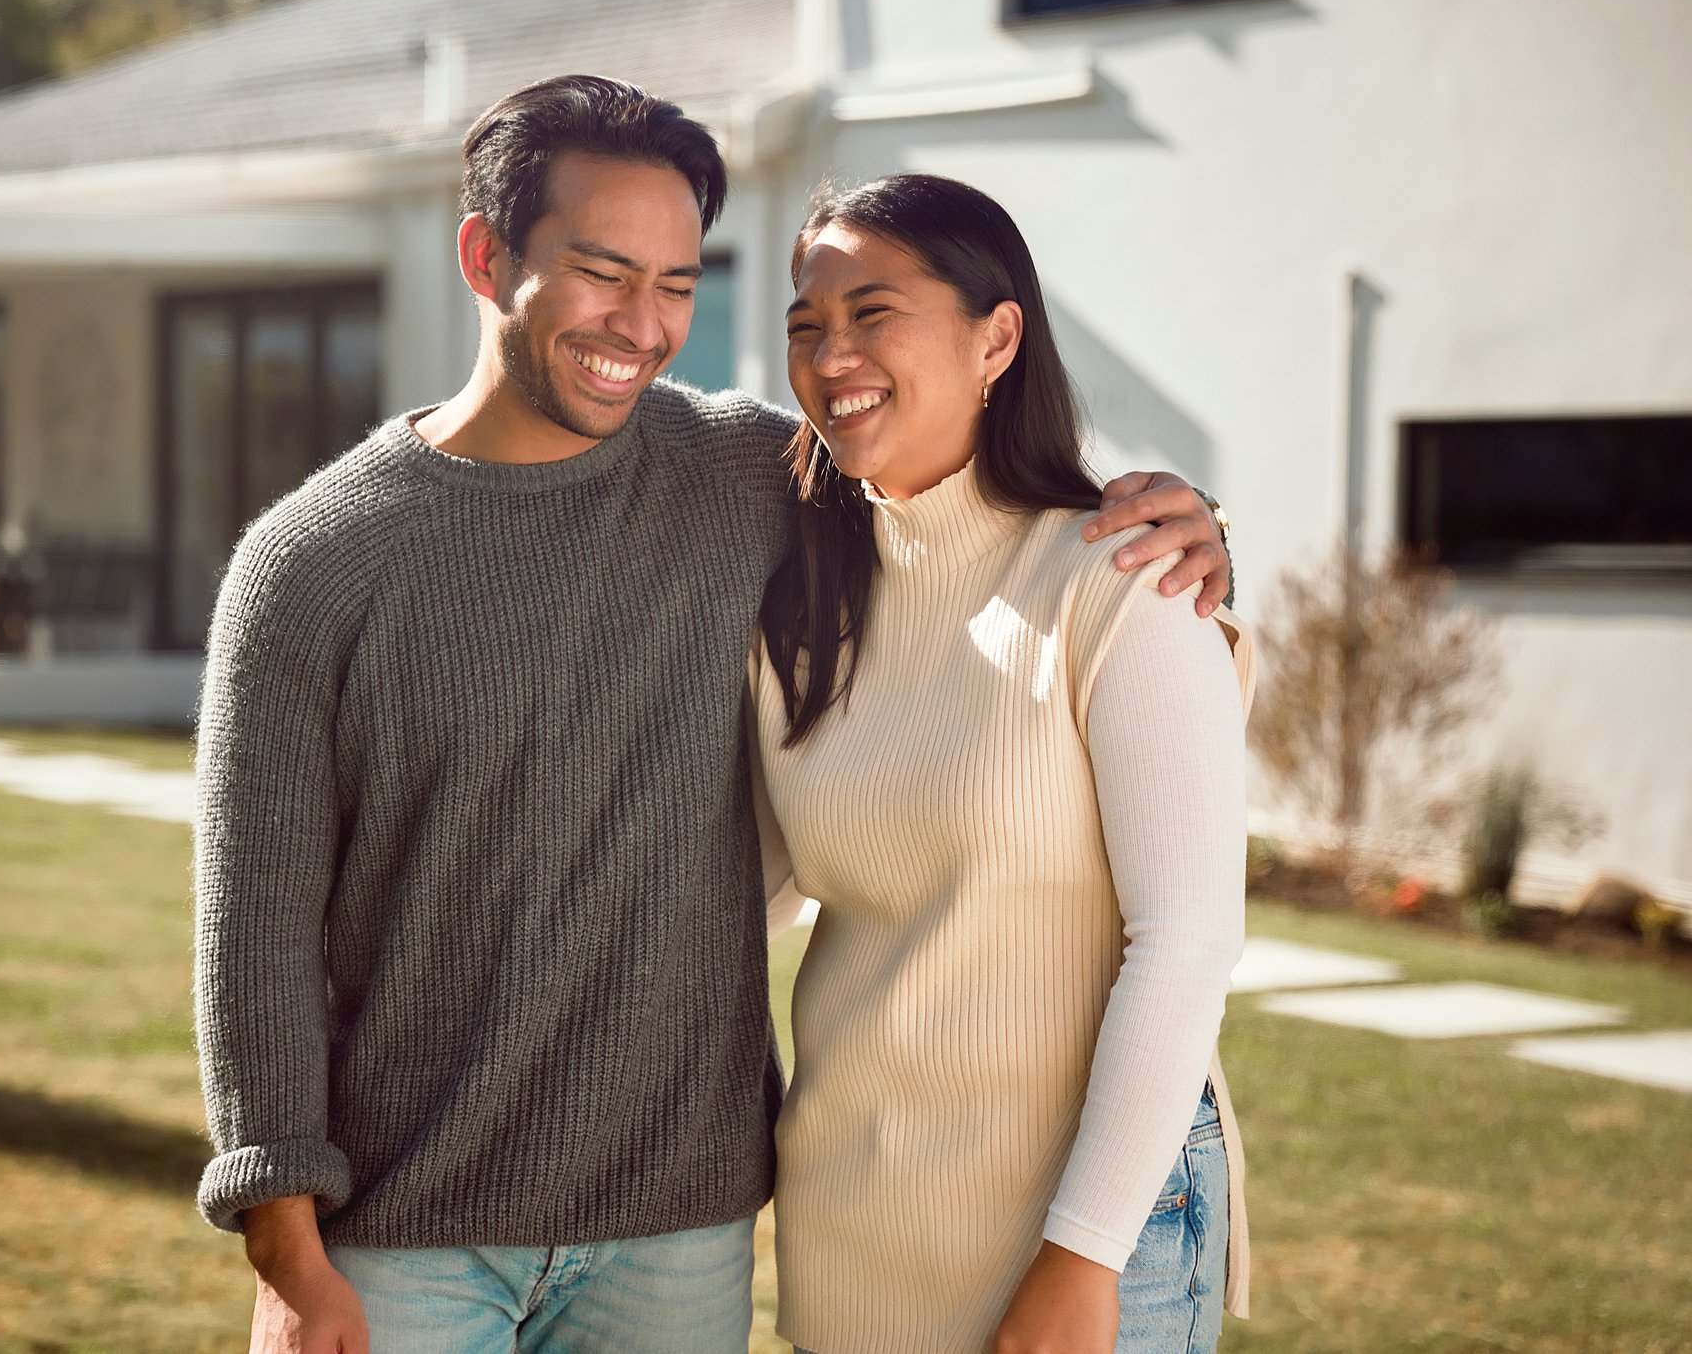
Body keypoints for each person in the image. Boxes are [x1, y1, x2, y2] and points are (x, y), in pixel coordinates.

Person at [192, 76, 1234, 1354]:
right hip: (406, 1229)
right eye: (600, 272)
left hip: (674, 1232)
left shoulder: (740, 476)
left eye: (678, 284)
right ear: (484, 253)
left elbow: (967, 489)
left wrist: (1188, 534)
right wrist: (287, 1252)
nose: (640, 324)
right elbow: (254, 937)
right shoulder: (308, 565)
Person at [750, 173, 1253, 1354]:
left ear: (997, 337)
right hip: (854, 1227)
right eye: (804, 324)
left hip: (1077, 1230)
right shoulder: (799, 604)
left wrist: (1081, 1261)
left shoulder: (1122, 576)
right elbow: (753, 892)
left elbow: (1185, 942)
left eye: (872, 312)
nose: (832, 355)